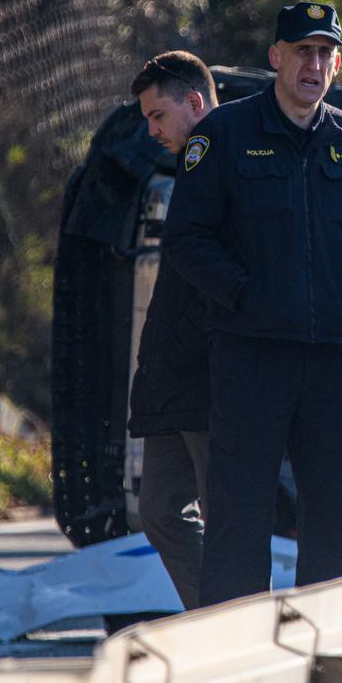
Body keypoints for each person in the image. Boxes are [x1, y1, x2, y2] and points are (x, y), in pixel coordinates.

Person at [162, 2, 342, 604]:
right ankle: (237, 661)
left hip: (332, 361)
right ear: (276, 58)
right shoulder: (225, 134)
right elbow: (187, 238)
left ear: (336, 64)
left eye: (324, 54)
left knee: (337, 520)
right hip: (251, 356)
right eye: (302, 52)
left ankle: (335, 660)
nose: (313, 65)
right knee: (239, 518)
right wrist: (243, 294)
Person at [126, 50, 218, 610]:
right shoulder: (191, 165)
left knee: (226, 515)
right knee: (160, 509)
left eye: (158, 116)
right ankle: (215, 619)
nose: (152, 130)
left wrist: (185, 343)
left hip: (210, 376)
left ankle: (234, 635)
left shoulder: (229, 160)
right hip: (172, 379)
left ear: (194, 102)